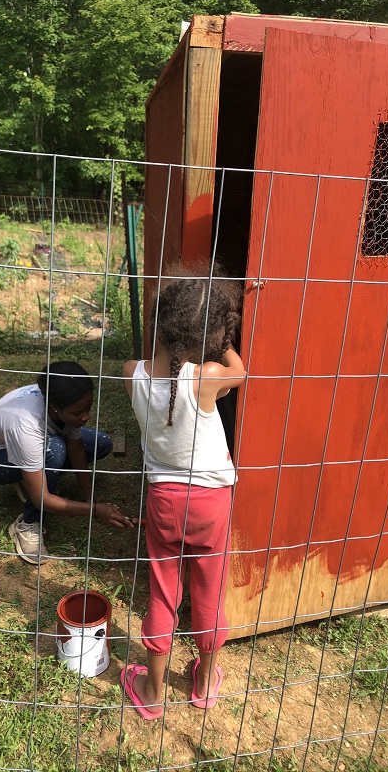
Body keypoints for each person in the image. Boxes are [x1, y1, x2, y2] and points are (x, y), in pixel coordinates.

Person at [121, 269, 246, 719]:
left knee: (162, 592)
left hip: (163, 501)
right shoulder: (208, 375)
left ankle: (151, 693)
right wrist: (222, 338)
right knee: (210, 592)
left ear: (160, 325)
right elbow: (241, 371)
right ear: (208, 335)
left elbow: (150, 363)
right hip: (212, 503)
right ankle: (205, 680)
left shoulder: (131, 373)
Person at [0, 361, 133, 564]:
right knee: (55, 450)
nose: (86, 417)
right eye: (78, 413)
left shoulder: (62, 399)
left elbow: (75, 448)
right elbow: (42, 499)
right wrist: (95, 511)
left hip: (33, 442)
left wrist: (90, 499)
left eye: (88, 409)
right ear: (56, 408)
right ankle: (29, 522)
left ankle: (32, 475)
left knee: (101, 443)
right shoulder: (25, 425)